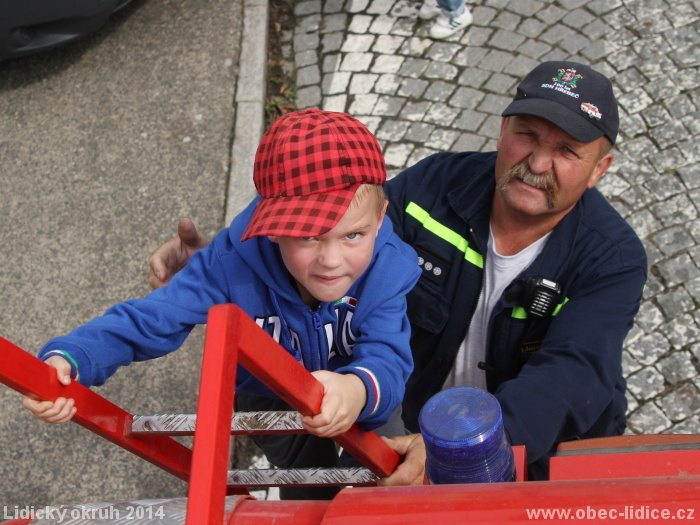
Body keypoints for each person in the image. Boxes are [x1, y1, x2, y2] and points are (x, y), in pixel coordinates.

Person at [149, 61, 648, 482]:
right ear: (502, 130)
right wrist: (226, 264)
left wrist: (464, 448)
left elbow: (572, 371)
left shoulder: (614, 259)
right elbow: (340, 228)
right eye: (527, 136)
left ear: (599, 168)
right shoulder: (432, 187)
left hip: (529, 446)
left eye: (566, 151)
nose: (537, 162)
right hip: (411, 417)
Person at [22, 109, 421, 497]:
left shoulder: (388, 267)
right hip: (272, 396)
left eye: (353, 236)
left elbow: (387, 356)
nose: (332, 260)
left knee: (389, 474)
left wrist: (357, 389)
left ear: (380, 219)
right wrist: (73, 358)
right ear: (271, 227)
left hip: (364, 384)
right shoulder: (229, 266)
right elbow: (153, 318)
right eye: (307, 236)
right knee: (306, 485)